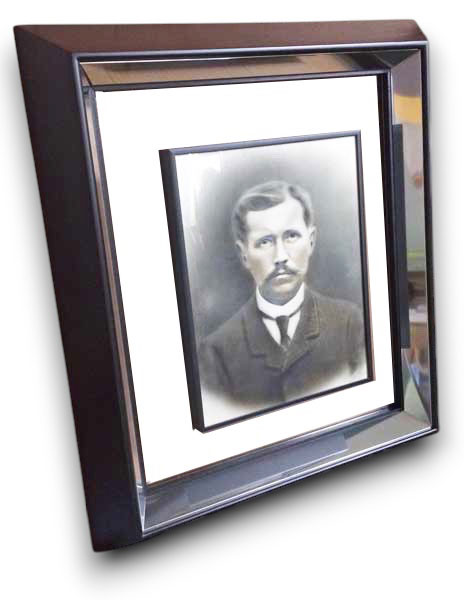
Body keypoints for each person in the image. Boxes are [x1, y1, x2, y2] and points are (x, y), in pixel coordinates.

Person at [198, 180, 366, 426]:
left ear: (311, 240)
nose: (280, 257)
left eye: (291, 236)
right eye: (265, 242)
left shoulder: (350, 323)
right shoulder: (216, 353)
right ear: (244, 254)